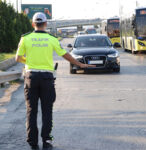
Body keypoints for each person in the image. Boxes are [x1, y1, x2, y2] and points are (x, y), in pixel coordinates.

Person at [16, 12, 94, 149]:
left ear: (33, 24)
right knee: (47, 110)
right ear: (46, 24)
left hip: (31, 78)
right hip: (46, 78)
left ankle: (32, 142)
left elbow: (18, 58)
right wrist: (80, 64)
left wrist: (30, 61)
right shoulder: (51, 39)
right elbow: (65, 55)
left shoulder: (25, 38)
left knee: (31, 110)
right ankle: (47, 141)